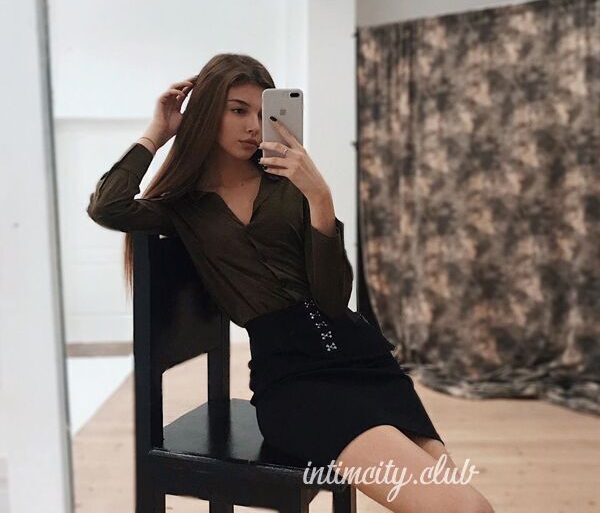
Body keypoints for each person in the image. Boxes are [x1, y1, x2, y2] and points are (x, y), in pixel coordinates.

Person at [87, 53, 494, 513]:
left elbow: (333, 298)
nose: (252, 126)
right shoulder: (185, 208)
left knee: (473, 506)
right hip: (293, 382)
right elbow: (107, 206)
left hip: (364, 362)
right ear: (206, 114)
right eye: (237, 110)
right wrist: (158, 130)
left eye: (262, 112)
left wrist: (320, 198)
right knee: (463, 510)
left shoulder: (289, 187)